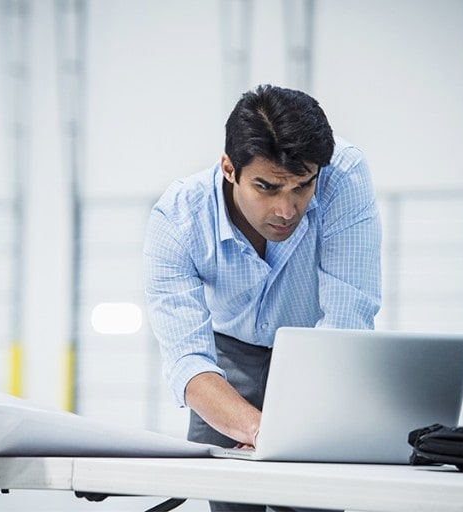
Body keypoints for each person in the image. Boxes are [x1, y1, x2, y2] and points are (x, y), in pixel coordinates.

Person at [143, 84, 380, 512]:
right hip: (227, 357)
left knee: (314, 498)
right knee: (234, 496)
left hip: (316, 350)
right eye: (267, 187)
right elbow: (188, 361)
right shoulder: (177, 220)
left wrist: (299, 433)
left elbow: (348, 318)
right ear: (229, 168)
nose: (286, 210)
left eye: (302, 187)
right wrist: (259, 429)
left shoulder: (342, 174)